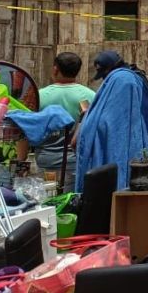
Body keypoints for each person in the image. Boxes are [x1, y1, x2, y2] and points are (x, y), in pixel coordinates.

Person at [74, 50, 148, 192]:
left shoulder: (123, 82)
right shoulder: (133, 87)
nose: (105, 79)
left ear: (109, 70)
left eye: (105, 75)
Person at [36, 52, 96, 192]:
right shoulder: (90, 96)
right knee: (71, 201)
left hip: (45, 161)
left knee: (47, 200)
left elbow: (25, 130)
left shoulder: (39, 95)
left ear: (55, 69)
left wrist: (21, 162)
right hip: (75, 161)